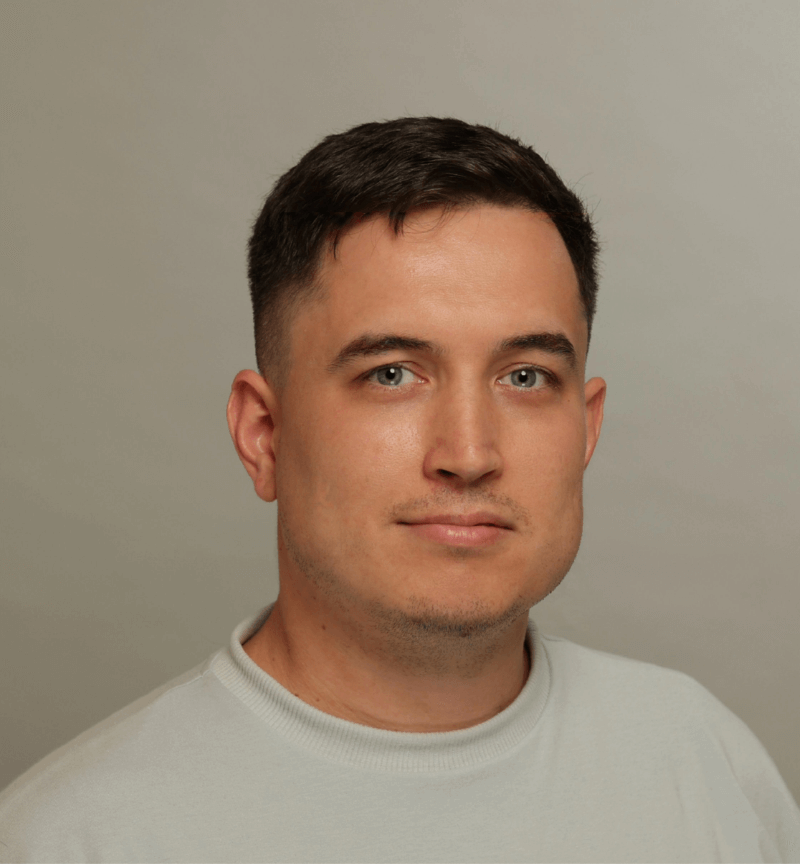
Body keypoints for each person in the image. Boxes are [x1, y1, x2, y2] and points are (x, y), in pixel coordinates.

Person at [1, 117, 798, 863]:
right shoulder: (73, 840)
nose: (469, 454)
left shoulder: (704, 761)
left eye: (525, 377)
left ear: (585, 430)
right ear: (263, 435)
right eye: (391, 374)